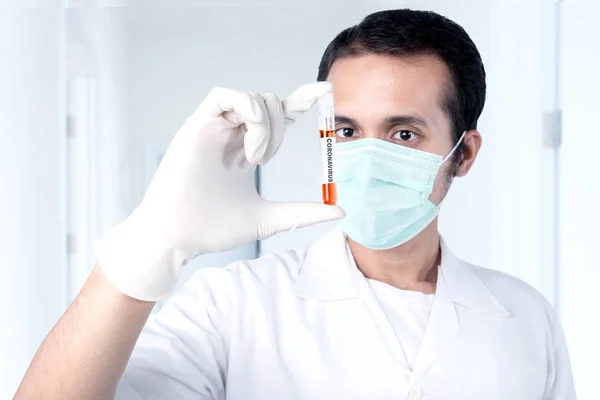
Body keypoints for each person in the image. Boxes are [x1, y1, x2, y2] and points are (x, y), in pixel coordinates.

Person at [15, 9, 575, 400]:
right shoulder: (231, 306)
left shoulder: (527, 316)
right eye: (349, 131)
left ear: (464, 154)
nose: (369, 156)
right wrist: (148, 246)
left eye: (403, 134)